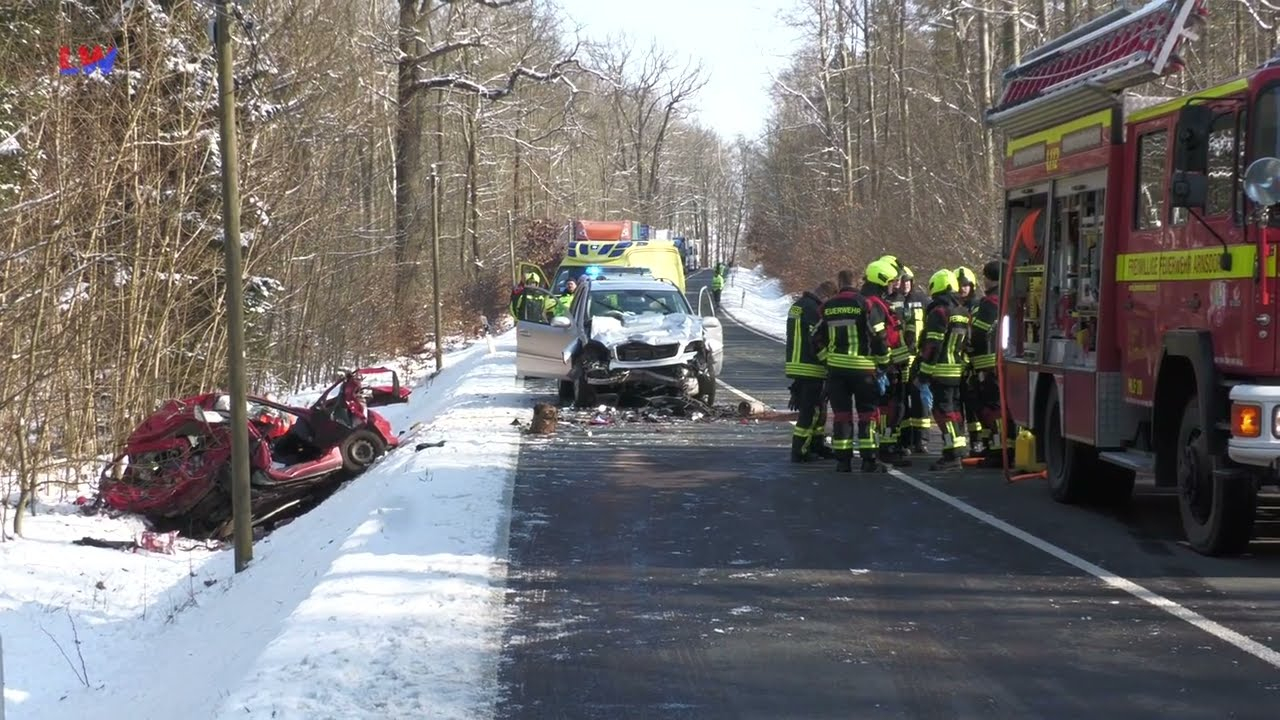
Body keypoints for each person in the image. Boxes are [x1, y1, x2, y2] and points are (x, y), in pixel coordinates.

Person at [815, 262, 897, 473]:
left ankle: (843, 462)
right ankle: (869, 460)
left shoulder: (827, 306)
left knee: (841, 415)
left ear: (840, 283)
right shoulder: (866, 304)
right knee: (867, 414)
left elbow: (815, 337)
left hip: (837, 371)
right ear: (858, 282)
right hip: (863, 370)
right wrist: (883, 362)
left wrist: (827, 359)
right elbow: (879, 336)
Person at [916, 269, 969, 471]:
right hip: (957, 369)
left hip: (941, 370)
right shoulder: (963, 312)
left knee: (942, 412)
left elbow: (933, 345)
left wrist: (924, 374)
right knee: (955, 410)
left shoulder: (939, 312)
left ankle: (952, 454)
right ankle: (957, 450)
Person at [787, 280, 838, 462]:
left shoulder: (798, 306)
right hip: (811, 365)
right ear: (826, 296)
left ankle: (816, 444)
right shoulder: (815, 310)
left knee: (819, 408)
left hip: (797, 363)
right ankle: (800, 450)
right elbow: (817, 339)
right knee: (811, 410)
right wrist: (828, 362)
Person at [968, 260, 1009, 467]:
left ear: (988, 278)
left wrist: (969, 348)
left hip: (987, 363)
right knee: (998, 406)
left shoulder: (989, 302)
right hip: (1003, 360)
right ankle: (994, 446)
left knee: (991, 407)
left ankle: (998, 450)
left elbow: (980, 332)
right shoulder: (1008, 297)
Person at [899, 267, 931, 454]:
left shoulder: (922, 301)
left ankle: (922, 440)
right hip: (901, 358)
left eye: (908, 281)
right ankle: (905, 439)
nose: (905, 285)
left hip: (918, 357)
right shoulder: (894, 301)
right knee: (901, 399)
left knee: (920, 400)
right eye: (902, 281)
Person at [955, 266, 983, 456]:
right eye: (959, 285)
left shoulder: (978, 305)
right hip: (956, 362)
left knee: (973, 406)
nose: (963, 288)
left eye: (966, 285)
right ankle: (961, 441)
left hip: (972, 362)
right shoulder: (953, 307)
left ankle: (977, 442)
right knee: (957, 405)